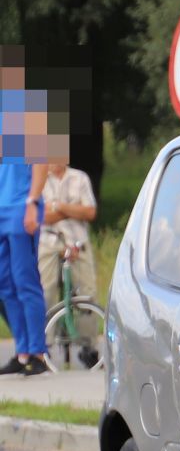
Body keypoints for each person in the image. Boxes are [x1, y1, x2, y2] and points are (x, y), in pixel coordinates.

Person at [0, 160, 49, 376]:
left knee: (25, 280)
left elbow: (41, 162)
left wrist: (33, 202)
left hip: (21, 205)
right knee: (4, 283)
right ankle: (22, 352)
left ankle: (37, 353)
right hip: (2, 204)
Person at [38, 159, 97, 310]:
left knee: (87, 294)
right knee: (45, 294)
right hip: (48, 242)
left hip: (77, 241)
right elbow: (41, 217)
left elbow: (90, 212)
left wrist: (58, 206)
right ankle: (46, 332)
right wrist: (75, 210)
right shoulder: (38, 179)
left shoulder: (80, 177)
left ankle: (86, 333)